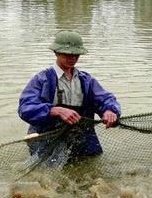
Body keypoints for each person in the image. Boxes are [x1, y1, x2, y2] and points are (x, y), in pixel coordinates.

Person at [18, 30, 121, 160]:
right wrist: (54, 110)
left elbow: (105, 99)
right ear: (56, 52)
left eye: (76, 54)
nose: (72, 58)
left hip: (82, 137)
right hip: (48, 137)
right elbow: (25, 108)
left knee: (91, 164)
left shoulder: (86, 80)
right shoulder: (42, 79)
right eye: (67, 54)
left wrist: (109, 111)